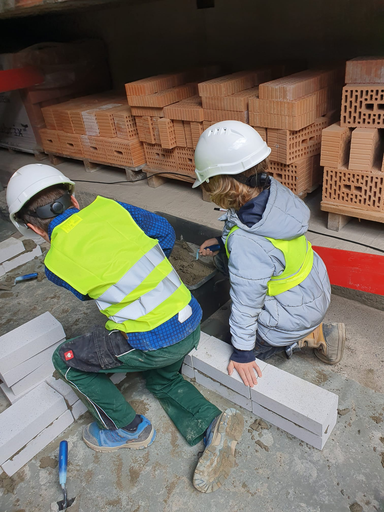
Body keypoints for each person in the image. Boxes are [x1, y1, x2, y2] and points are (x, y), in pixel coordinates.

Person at [6, 163, 244, 494]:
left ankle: (128, 429)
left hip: (154, 340)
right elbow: (164, 231)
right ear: (74, 199)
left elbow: (85, 292)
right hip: (190, 318)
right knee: (162, 379)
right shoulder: (112, 207)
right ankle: (212, 423)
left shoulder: (54, 263)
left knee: (66, 358)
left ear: (34, 229)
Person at [193, 121, 345, 388]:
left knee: (233, 347)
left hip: (292, 313)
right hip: (312, 287)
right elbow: (246, 227)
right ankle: (306, 328)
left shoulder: (246, 243)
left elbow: (246, 303)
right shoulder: (270, 191)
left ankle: (307, 337)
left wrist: (242, 352)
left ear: (221, 187)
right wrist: (222, 240)